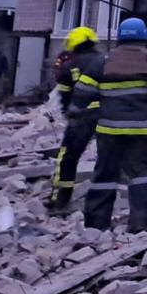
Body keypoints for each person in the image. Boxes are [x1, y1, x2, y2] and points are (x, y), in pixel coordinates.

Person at [72, 17, 147, 233]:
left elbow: (82, 93)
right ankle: (141, 224)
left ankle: (96, 225)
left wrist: (77, 116)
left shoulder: (102, 61)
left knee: (104, 175)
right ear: (144, 37)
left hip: (109, 131)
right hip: (141, 130)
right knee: (140, 175)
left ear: (119, 37)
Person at [46, 26, 102, 213]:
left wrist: (67, 112)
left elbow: (64, 92)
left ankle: (61, 198)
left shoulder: (70, 64)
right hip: (107, 114)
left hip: (81, 116)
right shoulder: (105, 60)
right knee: (109, 155)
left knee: (68, 156)